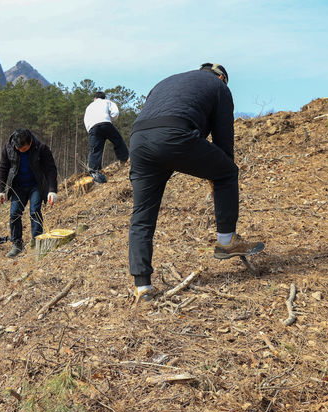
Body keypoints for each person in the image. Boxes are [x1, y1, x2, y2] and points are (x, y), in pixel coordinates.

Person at [128, 63, 263, 301]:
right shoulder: (219, 87)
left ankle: (143, 286)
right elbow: (223, 140)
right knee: (228, 172)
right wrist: (219, 172)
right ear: (222, 77)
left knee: (142, 215)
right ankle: (227, 241)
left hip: (139, 140)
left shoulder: (168, 80)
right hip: (173, 135)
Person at [0, 128, 58, 257]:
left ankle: (37, 242)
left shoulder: (41, 148)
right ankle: (17, 243)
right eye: (18, 148)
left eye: (23, 149)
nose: (20, 150)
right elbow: (3, 167)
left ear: (30, 143)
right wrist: (1, 190)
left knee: (35, 211)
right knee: (14, 214)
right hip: (18, 186)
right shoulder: (9, 147)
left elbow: (50, 169)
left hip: (36, 185)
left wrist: (52, 190)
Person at [83, 91, 130, 183]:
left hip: (93, 128)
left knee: (95, 149)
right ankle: (124, 160)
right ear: (104, 97)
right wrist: (110, 119)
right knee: (118, 141)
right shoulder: (108, 102)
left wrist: (90, 131)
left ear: (94, 98)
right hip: (105, 123)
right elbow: (115, 113)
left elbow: (86, 119)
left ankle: (95, 173)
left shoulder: (89, 106)